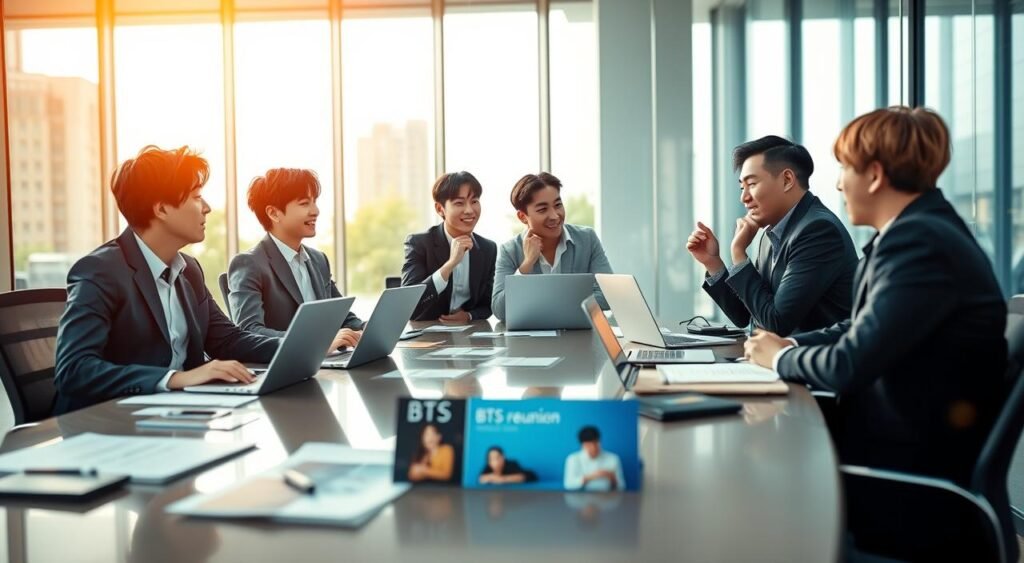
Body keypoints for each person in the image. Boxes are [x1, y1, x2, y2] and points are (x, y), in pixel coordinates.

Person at [744, 107, 1007, 486]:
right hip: (888, 447)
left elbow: (850, 362)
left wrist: (783, 357)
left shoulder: (921, 243)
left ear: (874, 175)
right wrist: (788, 343)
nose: (837, 185)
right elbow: (859, 326)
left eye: (843, 169)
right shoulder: (913, 233)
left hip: (904, 478)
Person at [54, 146, 350, 415]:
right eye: (196, 197)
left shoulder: (189, 270)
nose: (206, 207)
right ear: (161, 209)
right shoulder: (100, 271)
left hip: (181, 413)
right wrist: (175, 379)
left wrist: (307, 345)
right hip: (112, 423)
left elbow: (229, 340)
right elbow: (74, 370)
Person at [686, 136, 857, 336]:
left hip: (810, 361)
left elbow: (776, 324)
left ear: (787, 180)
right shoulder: (772, 233)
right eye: (742, 187)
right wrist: (713, 263)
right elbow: (745, 314)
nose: (744, 197)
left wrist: (739, 253)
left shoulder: (818, 230)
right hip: (772, 360)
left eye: (752, 184)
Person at [227, 168, 362, 347]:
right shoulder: (249, 264)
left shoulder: (318, 260)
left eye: (315, 202)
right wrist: (316, 343)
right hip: (285, 368)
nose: (315, 211)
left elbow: (343, 317)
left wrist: (370, 328)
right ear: (274, 213)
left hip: (324, 364)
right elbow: (249, 330)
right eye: (305, 203)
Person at [492, 173, 613, 321]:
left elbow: (608, 294)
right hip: (530, 341)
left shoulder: (587, 239)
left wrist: (542, 306)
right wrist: (527, 264)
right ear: (523, 217)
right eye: (542, 210)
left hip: (578, 337)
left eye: (558, 205)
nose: (555, 216)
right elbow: (500, 309)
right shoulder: (510, 250)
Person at [402, 171, 497, 322]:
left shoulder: (488, 248)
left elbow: (488, 303)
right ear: (440, 209)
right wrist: (450, 264)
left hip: (469, 335)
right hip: (426, 334)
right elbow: (408, 305)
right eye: (459, 203)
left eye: (474, 201)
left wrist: (469, 315)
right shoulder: (419, 244)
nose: (469, 210)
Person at [563, 426, 624, 491]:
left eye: (595, 443)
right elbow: (568, 485)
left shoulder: (613, 458)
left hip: (606, 498)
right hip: (581, 499)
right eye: (588, 445)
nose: (593, 448)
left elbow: (621, 487)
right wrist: (592, 476)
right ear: (582, 445)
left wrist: (612, 477)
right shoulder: (573, 459)